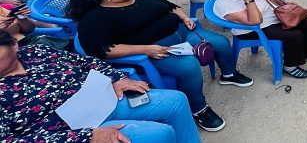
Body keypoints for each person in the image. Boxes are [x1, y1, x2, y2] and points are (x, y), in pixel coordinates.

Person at [66, 0, 253, 132]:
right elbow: (101, 49)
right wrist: (146, 49)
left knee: (220, 42)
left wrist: (185, 18)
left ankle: (228, 74)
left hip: (183, 33)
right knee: (189, 66)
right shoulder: (96, 18)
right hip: (154, 49)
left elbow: (171, 6)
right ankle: (199, 109)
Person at [0, 30, 201, 142]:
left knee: (175, 100)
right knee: (159, 135)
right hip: (65, 131)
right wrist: (85, 136)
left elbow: (86, 62)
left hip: (100, 101)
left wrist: (116, 77)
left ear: (14, 46)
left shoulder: (36, 52)